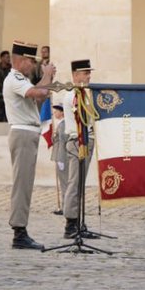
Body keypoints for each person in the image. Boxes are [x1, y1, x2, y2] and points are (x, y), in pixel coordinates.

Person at [3, 40, 56, 249]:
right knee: (22, 184)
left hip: (28, 132)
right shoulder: (15, 78)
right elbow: (40, 93)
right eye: (31, 62)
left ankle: (21, 230)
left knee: (25, 184)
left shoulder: (22, 80)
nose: (33, 66)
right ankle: (19, 232)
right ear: (22, 61)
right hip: (23, 133)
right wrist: (47, 75)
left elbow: (38, 102)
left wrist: (49, 79)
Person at [61, 59, 98, 239]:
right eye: (85, 73)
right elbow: (82, 116)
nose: (88, 75)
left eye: (88, 72)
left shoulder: (84, 94)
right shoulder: (74, 95)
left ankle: (78, 222)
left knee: (79, 184)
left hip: (86, 140)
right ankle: (70, 224)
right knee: (74, 184)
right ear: (76, 75)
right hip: (78, 142)